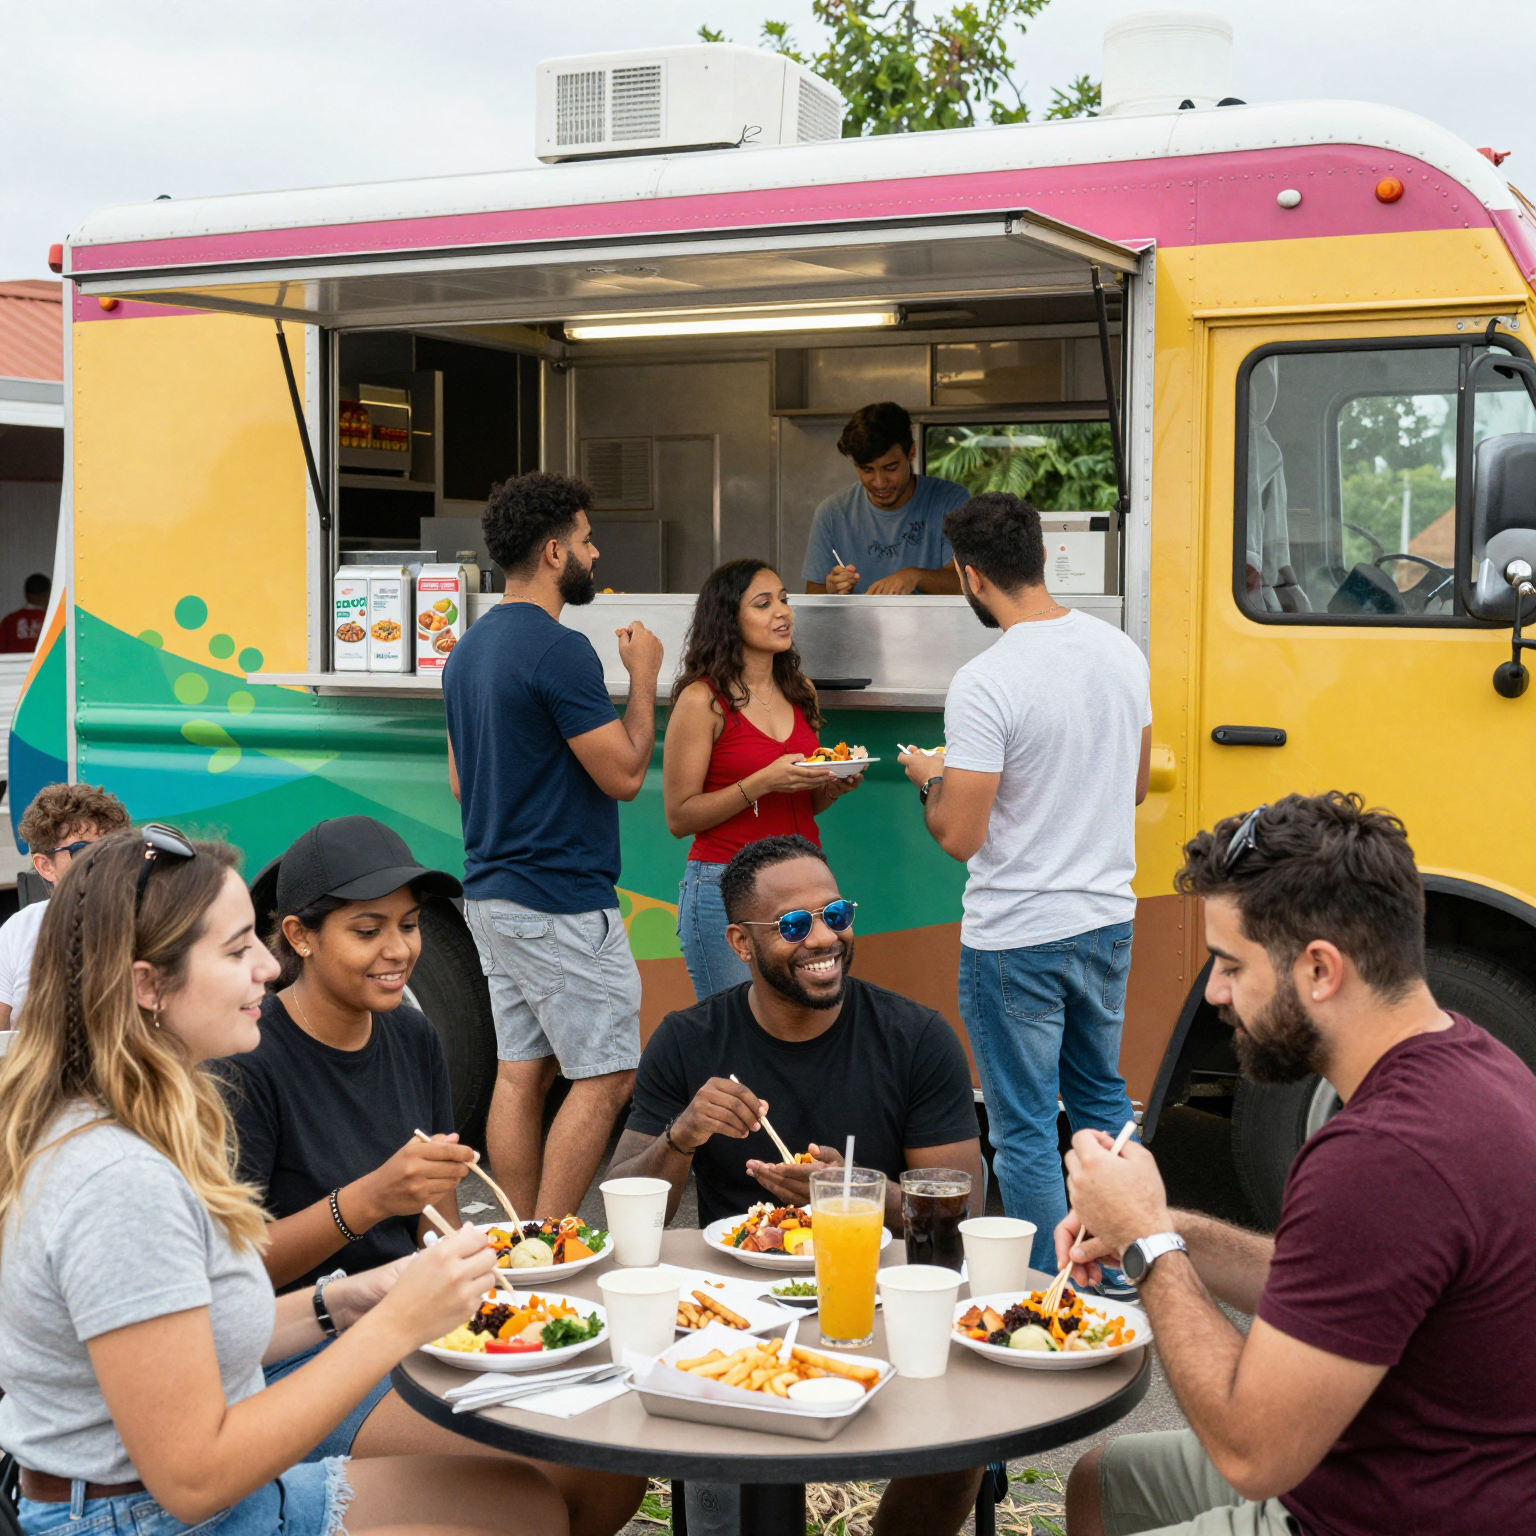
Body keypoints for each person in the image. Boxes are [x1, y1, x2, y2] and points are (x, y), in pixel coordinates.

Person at [0, 827, 566, 1536]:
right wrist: (394, 1323)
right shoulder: (117, 1177)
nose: (267, 969)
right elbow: (192, 1479)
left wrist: (348, 1299)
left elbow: (200, 1329)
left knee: (528, 1504)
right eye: (238, 951)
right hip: (137, 1513)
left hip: (193, 1494)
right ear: (149, 985)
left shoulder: (149, 1119)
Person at [1055, 792, 1536, 1536]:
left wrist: (1149, 1242)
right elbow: (1339, 1278)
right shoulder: (1471, 1058)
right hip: (1398, 1459)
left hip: (1395, 1511)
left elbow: (1255, 1455)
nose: (1214, 991)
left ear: (1319, 969)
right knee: (1104, 1481)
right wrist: (1161, 1227)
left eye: (1229, 964)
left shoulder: (1384, 1155)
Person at [217, 814, 644, 1536]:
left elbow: (436, 1227)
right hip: (293, 1358)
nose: (399, 950)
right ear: (298, 937)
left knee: (612, 1454)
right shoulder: (247, 1062)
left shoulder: (412, 1034)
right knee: (537, 1472)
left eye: (411, 925)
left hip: (415, 1326)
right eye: (368, 929)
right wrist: (364, 1200)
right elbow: (232, 1277)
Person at [608, 834, 986, 1536]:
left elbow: (960, 1220)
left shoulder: (915, 1037)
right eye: (793, 925)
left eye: (835, 914)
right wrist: (681, 1136)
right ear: (740, 944)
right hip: (737, 1310)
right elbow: (622, 1208)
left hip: (880, 1306)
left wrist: (857, 1195)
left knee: (956, 1452)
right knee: (721, 1480)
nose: (824, 938)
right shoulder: (690, 1040)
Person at [899, 491, 1152, 1277]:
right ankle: (1128, 1270)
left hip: (1018, 937)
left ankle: (1057, 1296)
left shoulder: (986, 680)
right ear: (1040, 557)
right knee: (1103, 1109)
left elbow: (960, 835)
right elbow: (1136, 784)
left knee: (1023, 1132)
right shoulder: (1120, 651)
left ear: (971, 577)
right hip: (1107, 919)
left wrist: (930, 779)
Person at [444, 471, 662, 1218]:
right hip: (561, 900)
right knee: (604, 1076)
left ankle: (519, 1240)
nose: (594, 553)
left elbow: (458, 781)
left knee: (520, 1074)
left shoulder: (466, 651)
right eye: (586, 539)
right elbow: (627, 774)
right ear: (551, 551)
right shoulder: (560, 651)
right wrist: (643, 679)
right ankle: (554, 1240)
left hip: (490, 895)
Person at [662, 559, 863, 998]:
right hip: (726, 888)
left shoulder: (799, 689)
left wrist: (831, 785)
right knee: (737, 1037)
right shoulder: (702, 701)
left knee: (805, 1030)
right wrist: (762, 781)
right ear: (729, 620)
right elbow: (679, 817)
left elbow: (802, 801)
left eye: (785, 600)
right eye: (763, 603)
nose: (783, 612)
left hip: (804, 886)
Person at [0, 781, 131, 1028]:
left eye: (113, 847)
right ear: (45, 867)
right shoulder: (18, 930)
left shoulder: (150, 918)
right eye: (83, 850)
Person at [802, 402, 967, 595]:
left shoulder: (951, 500)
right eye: (867, 470)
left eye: (890, 468)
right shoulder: (831, 513)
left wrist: (914, 577)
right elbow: (813, 594)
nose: (880, 483)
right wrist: (832, 590)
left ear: (911, 453)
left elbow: (967, 584)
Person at [0, 572, 49, 652]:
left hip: (14, 664)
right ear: (46, 595)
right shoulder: (52, 619)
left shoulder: (9, 621)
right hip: (46, 664)